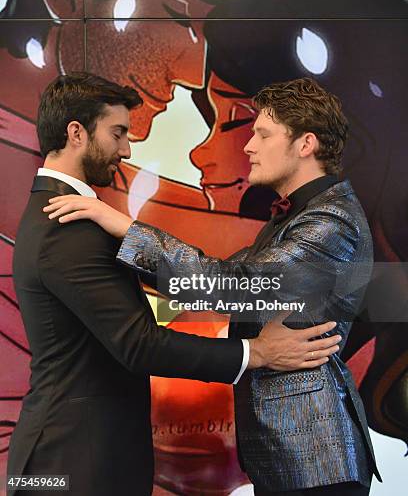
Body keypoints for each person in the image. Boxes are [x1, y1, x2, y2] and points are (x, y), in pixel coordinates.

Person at [7, 72, 340, 496]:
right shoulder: (67, 224)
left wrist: (129, 230)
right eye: (118, 133)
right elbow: (140, 345)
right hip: (71, 464)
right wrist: (256, 352)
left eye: (262, 134)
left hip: (67, 458)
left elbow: (230, 283)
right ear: (76, 132)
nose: (127, 149)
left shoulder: (63, 215)